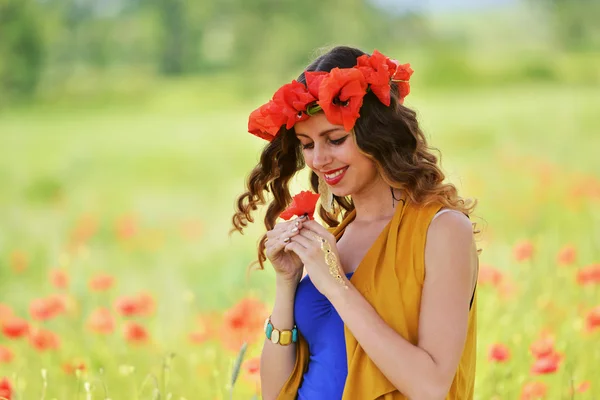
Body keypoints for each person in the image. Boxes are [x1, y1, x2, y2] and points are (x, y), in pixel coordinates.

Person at [230, 46, 480, 400]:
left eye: (335, 139)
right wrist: (287, 282)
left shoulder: (442, 230)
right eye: (307, 144)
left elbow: (431, 387)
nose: (319, 159)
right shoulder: (336, 238)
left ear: (377, 135)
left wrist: (334, 284)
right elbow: (274, 392)